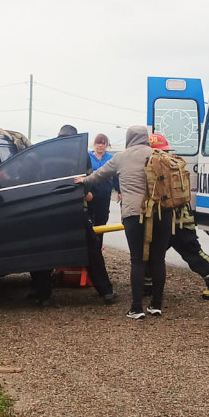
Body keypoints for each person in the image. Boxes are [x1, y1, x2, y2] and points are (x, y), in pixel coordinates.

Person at [75, 125, 172, 320]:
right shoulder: (159, 154)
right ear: (145, 138)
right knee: (158, 259)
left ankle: (136, 308)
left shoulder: (121, 157)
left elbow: (97, 177)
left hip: (134, 214)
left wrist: (81, 181)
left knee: (137, 259)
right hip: (162, 213)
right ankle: (156, 305)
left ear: (129, 138)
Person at [28, 125, 118, 307]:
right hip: (75, 208)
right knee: (91, 251)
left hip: (49, 208)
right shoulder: (81, 154)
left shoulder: (46, 151)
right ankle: (106, 291)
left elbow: (36, 178)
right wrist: (86, 194)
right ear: (75, 138)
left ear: (58, 135)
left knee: (43, 250)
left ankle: (43, 294)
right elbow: (88, 179)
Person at [144, 133, 209, 300]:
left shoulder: (153, 165)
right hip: (181, 217)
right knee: (187, 253)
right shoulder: (175, 163)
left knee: (156, 253)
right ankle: (147, 285)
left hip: (167, 220)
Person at [87, 133, 121, 248]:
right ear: (94, 144)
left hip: (105, 195)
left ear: (106, 145)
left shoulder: (111, 158)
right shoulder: (88, 156)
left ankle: (99, 246)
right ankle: (90, 246)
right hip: (90, 194)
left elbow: (116, 175)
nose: (100, 146)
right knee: (90, 220)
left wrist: (119, 191)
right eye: (98, 143)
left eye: (103, 143)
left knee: (102, 220)